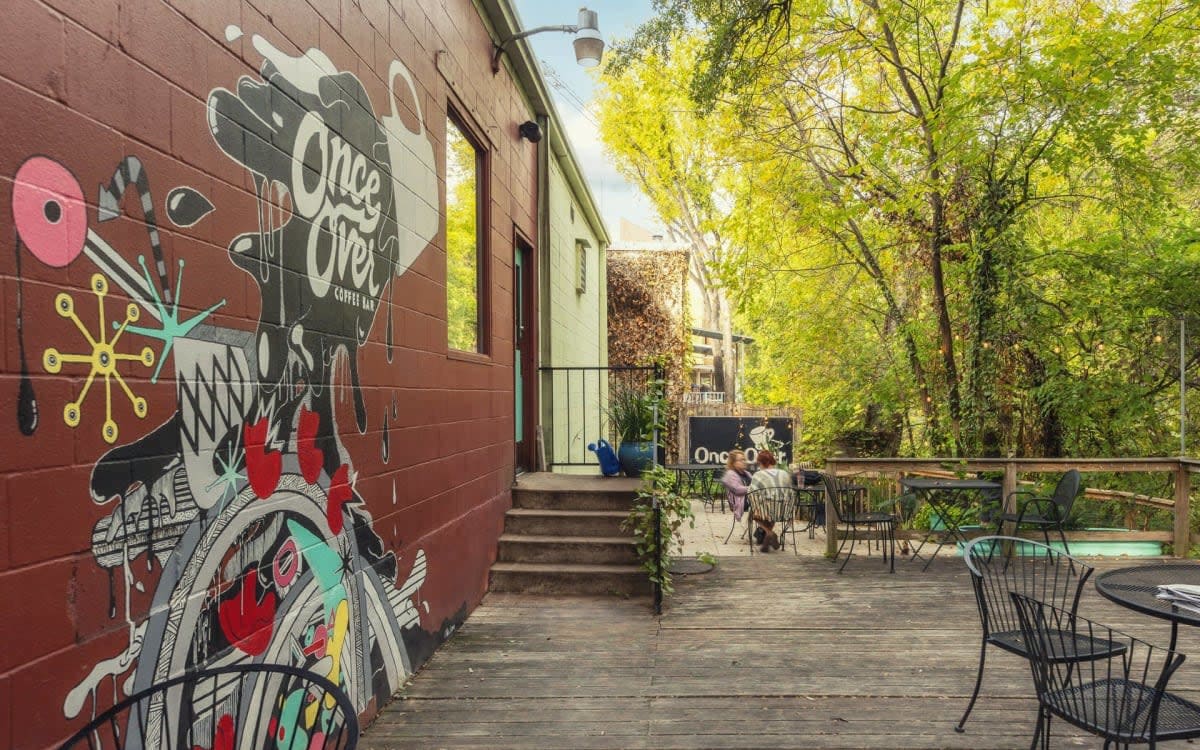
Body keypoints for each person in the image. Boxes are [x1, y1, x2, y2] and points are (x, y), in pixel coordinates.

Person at [749, 450, 791, 552]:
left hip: (766, 511)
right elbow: (790, 491)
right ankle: (767, 540)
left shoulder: (758, 475)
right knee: (774, 509)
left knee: (753, 513)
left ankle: (769, 533)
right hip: (784, 511)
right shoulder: (785, 473)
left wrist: (756, 506)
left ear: (760, 463)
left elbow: (752, 493)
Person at [720, 450, 753, 522]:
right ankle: (766, 530)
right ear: (733, 463)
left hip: (750, 500)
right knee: (764, 507)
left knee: (769, 505)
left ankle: (764, 530)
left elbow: (755, 484)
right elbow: (737, 490)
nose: (744, 462)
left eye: (744, 459)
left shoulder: (747, 473)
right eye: (741, 460)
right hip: (739, 502)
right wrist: (754, 488)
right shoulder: (730, 474)